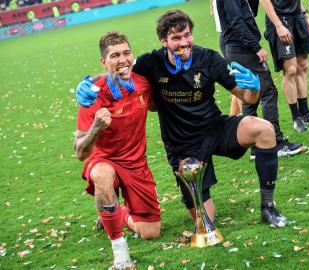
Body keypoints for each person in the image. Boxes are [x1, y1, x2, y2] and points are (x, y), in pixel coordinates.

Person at [77, 10, 289, 227]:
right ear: (164, 41)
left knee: (264, 129)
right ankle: (113, 213)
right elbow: (121, 69)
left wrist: (253, 87)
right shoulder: (150, 63)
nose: (183, 42)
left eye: (187, 35)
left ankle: (268, 207)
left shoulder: (208, 58)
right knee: (205, 221)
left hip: (214, 129)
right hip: (182, 146)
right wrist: (90, 84)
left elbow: (247, 98)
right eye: (176, 38)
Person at [74, 31, 161, 270]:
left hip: (136, 163)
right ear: (104, 61)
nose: (122, 60)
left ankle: (114, 214)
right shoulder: (92, 93)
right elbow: (80, 152)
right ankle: (120, 254)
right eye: (114, 56)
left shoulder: (143, 84)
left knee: (150, 232)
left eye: (126, 53)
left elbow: (155, 105)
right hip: (105, 159)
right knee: (102, 174)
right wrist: (95, 128)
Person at [217, 0, 304, 159]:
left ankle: (255, 147)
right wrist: (256, 47)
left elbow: (249, 14)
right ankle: (276, 142)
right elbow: (237, 22)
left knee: (251, 97)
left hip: (236, 47)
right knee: (268, 92)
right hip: (242, 48)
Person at [262, 0, 309, 132]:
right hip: (280, 20)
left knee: (303, 65)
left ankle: (305, 113)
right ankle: (296, 117)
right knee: (291, 69)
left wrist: (305, 15)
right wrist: (278, 25)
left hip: (297, 17)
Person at [210, 0, 243, 116]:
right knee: (240, 82)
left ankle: (233, 119)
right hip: (231, 38)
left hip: (228, 37)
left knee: (238, 82)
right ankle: (246, 117)